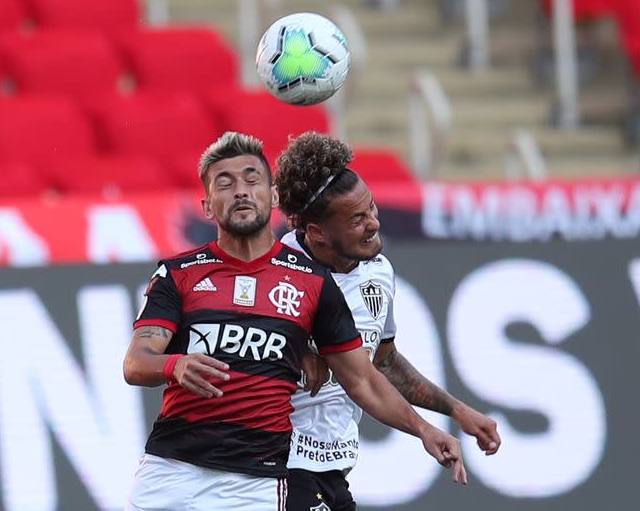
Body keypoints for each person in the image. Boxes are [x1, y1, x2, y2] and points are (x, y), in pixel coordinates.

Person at [122, 132, 467, 511]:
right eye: (226, 183)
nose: (240, 191)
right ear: (207, 206)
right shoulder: (179, 273)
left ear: (272, 196)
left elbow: (363, 378)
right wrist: (175, 363)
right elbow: (136, 363)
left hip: (255, 484)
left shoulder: (312, 281)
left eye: (252, 180)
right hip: (171, 470)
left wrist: (424, 430)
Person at [274, 132, 502, 511]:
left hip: (334, 463)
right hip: (279, 463)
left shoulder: (378, 272)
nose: (373, 224)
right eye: (357, 219)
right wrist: (291, 349)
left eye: (372, 209)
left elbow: (381, 361)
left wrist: (457, 410)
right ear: (317, 234)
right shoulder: (275, 269)